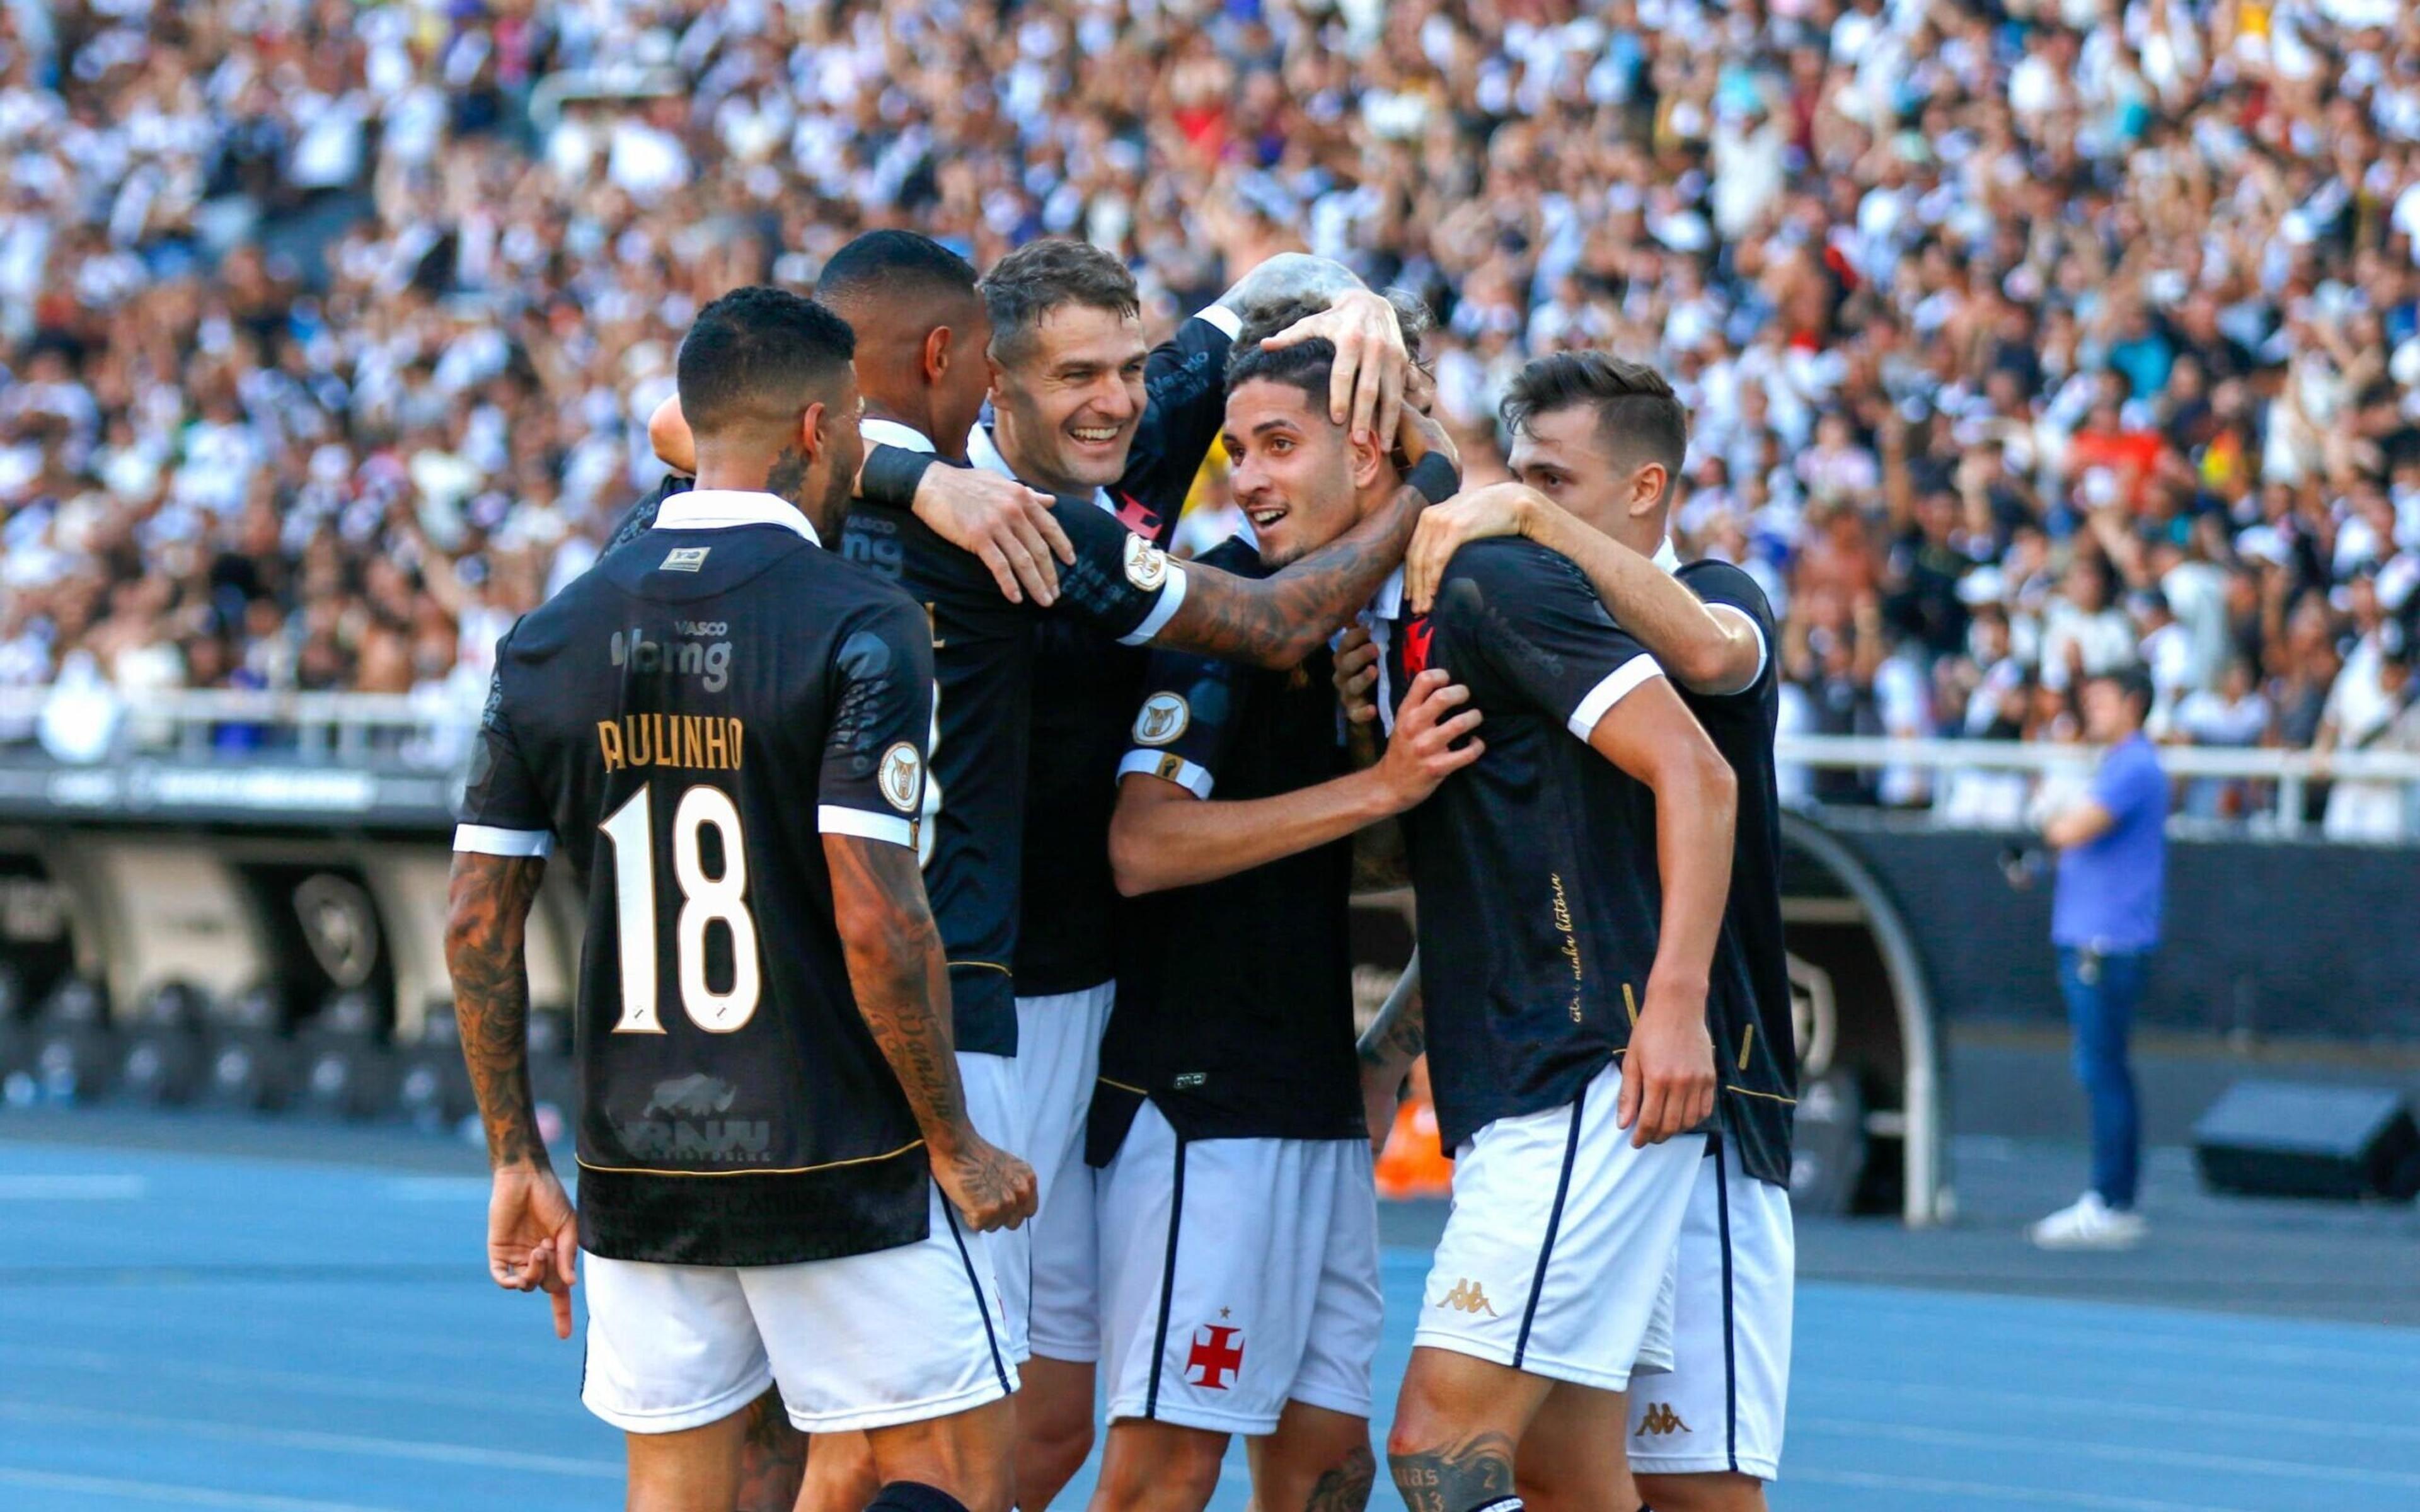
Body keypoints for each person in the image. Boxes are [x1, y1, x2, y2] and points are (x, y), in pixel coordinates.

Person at [646, 236, 1423, 1511]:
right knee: (883, 1422)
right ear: (982, 378)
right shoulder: (901, 500)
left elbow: (1293, 267)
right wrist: (922, 478)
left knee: (1041, 1419)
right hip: (951, 1001)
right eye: (1076, 376)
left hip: (1088, 1009)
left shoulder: (1131, 430)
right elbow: (684, 420)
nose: (1114, 398)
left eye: (1126, 367)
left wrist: (1366, 311)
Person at [446, 285, 1037, 1512]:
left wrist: (516, 1157)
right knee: (948, 1474)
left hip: (637, 1147)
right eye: (859, 426)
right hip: (838, 1138)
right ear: (817, 432)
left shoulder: (549, 636)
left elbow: (473, 923)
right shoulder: (863, 621)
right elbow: (878, 917)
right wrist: (953, 1140)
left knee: (676, 1488)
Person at [1386, 353, 1799, 1511]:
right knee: (1567, 1470)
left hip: (1707, 1086)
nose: (1523, 502)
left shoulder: (1723, 592)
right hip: (1604, 1082)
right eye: (1519, 474)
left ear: (1645, 490)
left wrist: (1519, 514)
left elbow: (1715, 659)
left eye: (1556, 480)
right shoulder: (1520, 622)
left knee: (1697, 1489)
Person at [1083, 312, 1475, 1512]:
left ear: (1365, 454)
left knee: (1326, 1466)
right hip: (1204, 1102)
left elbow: (1357, 869)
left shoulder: (1379, 628)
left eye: (1275, 447)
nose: (1246, 478)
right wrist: (1379, 778)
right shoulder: (1232, 604)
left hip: (1308, 1097)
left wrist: (1384, 1055)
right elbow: (1141, 847)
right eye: (1237, 449)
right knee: (1166, 1471)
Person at [2031, 665, 2165, 1250]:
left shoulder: (2133, 765)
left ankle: (2112, 1200)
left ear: (2133, 704)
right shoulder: (2121, 763)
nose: (2094, 712)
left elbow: (2069, 829)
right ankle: (2115, 1198)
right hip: (2098, 939)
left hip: (2104, 943)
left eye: (2103, 701)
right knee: (2106, 1069)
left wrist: (2055, 803)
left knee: (2102, 1071)